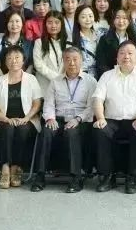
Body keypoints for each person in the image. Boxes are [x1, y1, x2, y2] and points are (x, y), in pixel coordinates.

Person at [91, 41, 136, 194]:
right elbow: (98, 100)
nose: (126, 56)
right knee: (100, 131)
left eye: (130, 53)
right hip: (111, 120)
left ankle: (132, 177)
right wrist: (100, 118)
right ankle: (107, 177)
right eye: (122, 53)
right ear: (117, 57)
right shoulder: (107, 76)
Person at [34, 46, 97, 193]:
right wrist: (50, 118)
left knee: (72, 133)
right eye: (68, 59)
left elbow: (92, 107)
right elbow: (49, 104)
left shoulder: (91, 81)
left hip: (81, 121)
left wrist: (78, 119)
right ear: (63, 61)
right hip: (59, 119)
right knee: (46, 132)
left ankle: (76, 177)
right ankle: (40, 176)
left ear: (81, 61)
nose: (72, 63)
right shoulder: (55, 81)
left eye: (75, 59)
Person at [0, 46, 43, 189]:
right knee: (8, 129)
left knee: (22, 129)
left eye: (17, 57)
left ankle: (15, 168)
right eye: (10, 58)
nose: (14, 61)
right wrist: (6, 119)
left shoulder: (31, 79)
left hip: (28, 120)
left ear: (23, 60)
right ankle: (5, 168)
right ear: (5, 62)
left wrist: (26, 118)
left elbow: (37, 103)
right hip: (2, 120)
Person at [32, 13, 68, 94]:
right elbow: (38, 64)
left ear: (62, 24)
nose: (53, 25)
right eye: (50, 22)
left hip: (64, 84)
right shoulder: (39, 42)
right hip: (45, 85)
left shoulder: (68, 42)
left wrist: (63, 78)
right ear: (45, 25)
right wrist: (57, 78)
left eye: (57, 22)